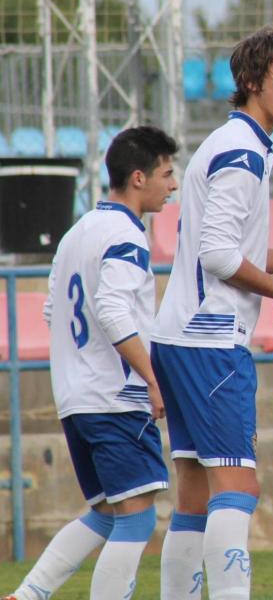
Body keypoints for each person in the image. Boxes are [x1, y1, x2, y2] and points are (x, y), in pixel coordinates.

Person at [150, 27, 273, 600]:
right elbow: (221, 256)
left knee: (194, 495)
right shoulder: (242, 152)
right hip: (211, 341)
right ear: (249, 81)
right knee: (237, 487)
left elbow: (229, 249)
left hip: (179, 336)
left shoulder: (236, 144)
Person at [3, 126, 178, 600]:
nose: (173, 184)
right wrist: (153, 378)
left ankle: (29, 594)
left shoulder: (75, 234)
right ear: (138, 177)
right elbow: (112, 309)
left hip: (76, 398)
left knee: (105, 513)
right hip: (115, 398)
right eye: (167, 173)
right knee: (137, 517)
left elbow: (50, 309)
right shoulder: (126, 235)